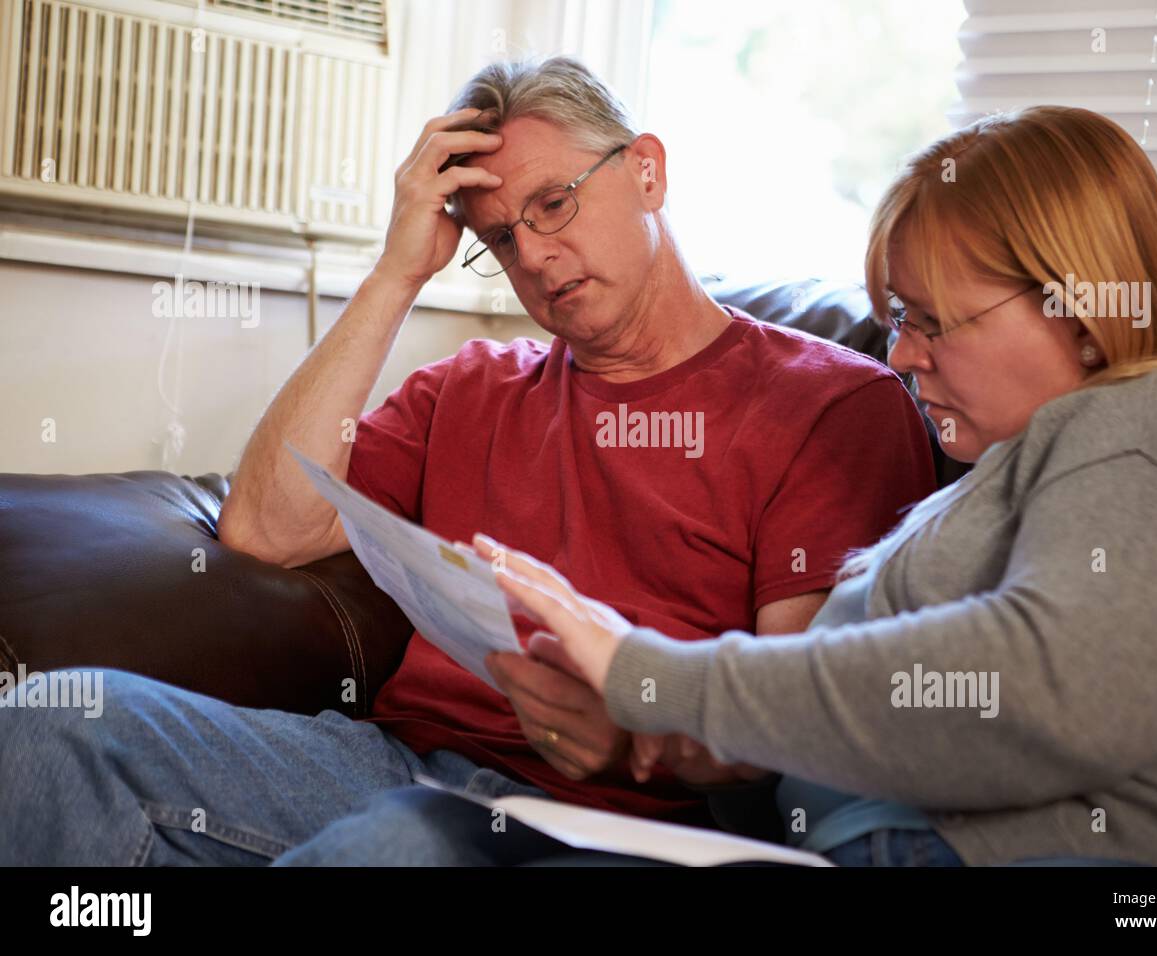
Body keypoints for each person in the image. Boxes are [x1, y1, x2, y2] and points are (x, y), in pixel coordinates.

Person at [0, 57, 935, 865]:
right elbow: (265, 530)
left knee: (392, 847)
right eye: (498, 238)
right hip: (394, 765)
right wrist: (398, 270)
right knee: (52, 722)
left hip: (618, 816)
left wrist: (634, 728)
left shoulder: (832, 403)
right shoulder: (472, 387)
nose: (533, 255)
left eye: (553, 204)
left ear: (646, 171)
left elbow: (802, 709)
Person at [373, 104, 1157, 867]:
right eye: (899, 318)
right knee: (405, 841)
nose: (900, 353)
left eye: (935, 320)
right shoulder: (975, 495)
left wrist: (649, 675)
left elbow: (1059, 685)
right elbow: (845, 737)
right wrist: (672, 742)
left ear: (1082, 310)